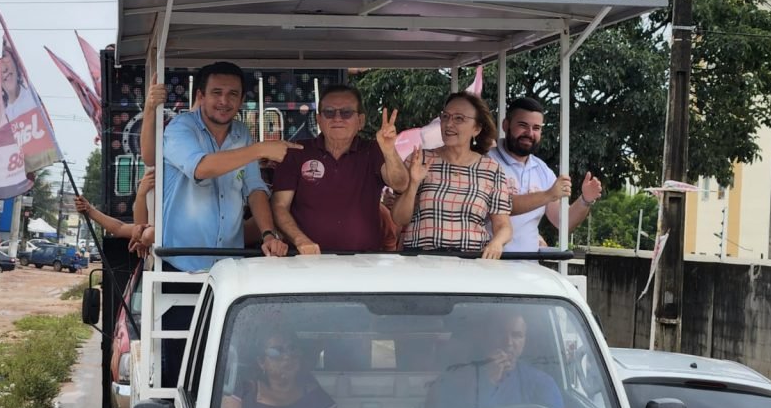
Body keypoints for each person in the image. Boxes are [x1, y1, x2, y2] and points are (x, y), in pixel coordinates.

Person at [161, 60, 302, 270]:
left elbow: (254, 188)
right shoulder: (180, 128)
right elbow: (201, 168)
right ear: (201, 96)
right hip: (181, 264)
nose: (224, 101)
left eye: (232, 94)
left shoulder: (242, 133)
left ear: (242, 100)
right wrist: (260, 149)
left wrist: (268, 235)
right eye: (216, 92)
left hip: (229, 265)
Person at [271, 85, 409, 254]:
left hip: (363, 263)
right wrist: (301, 241)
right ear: (319, 119)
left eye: (346, 113)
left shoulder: (373, 151)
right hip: (306, 262)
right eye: (329, 112)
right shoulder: (296, 151)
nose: (337, 118)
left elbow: (400, 184)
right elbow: (279, 206)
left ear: (360, 121)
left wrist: (389, 151)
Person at [391, 93, 512, 259]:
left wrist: (496, 243)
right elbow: (399, 219)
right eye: (445, 116)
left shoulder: (492, 169)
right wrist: (413, 184)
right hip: (421, 263)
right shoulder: (419, 159)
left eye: (459, 119)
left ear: (477, 128)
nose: (448, 124)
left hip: (470, 263)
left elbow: (504, 226)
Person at [425, 308, 574, 408]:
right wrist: (485, 381)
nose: (508, 342)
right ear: (486, 337)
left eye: (516, 335)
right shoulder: (455, 380)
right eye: (500, 333)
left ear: (524, 340)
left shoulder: (541, 382)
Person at [487, 97, 603, 252]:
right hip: (489, 264)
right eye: (523, 125)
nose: (529, 133)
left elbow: (563, 222)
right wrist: (548, 195)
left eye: (536, 128)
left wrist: (585, 200)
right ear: (506, 125)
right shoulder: (486, 161)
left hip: (529, 267)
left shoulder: (542, 169)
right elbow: (499, 205)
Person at [219, 327, 345, 408]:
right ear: (261, 362)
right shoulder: (242, 394)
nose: (287, 356)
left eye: (292, 349)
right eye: (276, 351)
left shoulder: (318, 399)